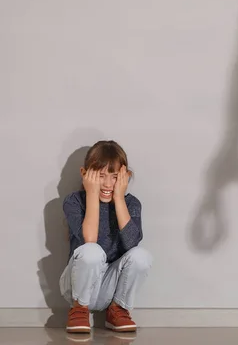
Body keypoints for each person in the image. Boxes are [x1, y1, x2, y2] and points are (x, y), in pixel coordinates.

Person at [59, 140, 152, 334]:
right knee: (92, 251)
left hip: (110, 287)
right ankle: (79, 309)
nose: (108, 183)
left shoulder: (131, 203)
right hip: (77, 285)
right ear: (85, 174)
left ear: (125, 177)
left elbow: (131, 244)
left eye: (115, 177)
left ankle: (118, 309)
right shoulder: (74, 201)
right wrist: (92, 194)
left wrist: (119, 198)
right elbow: (89, 240)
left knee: (141, 255)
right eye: (101, 176)